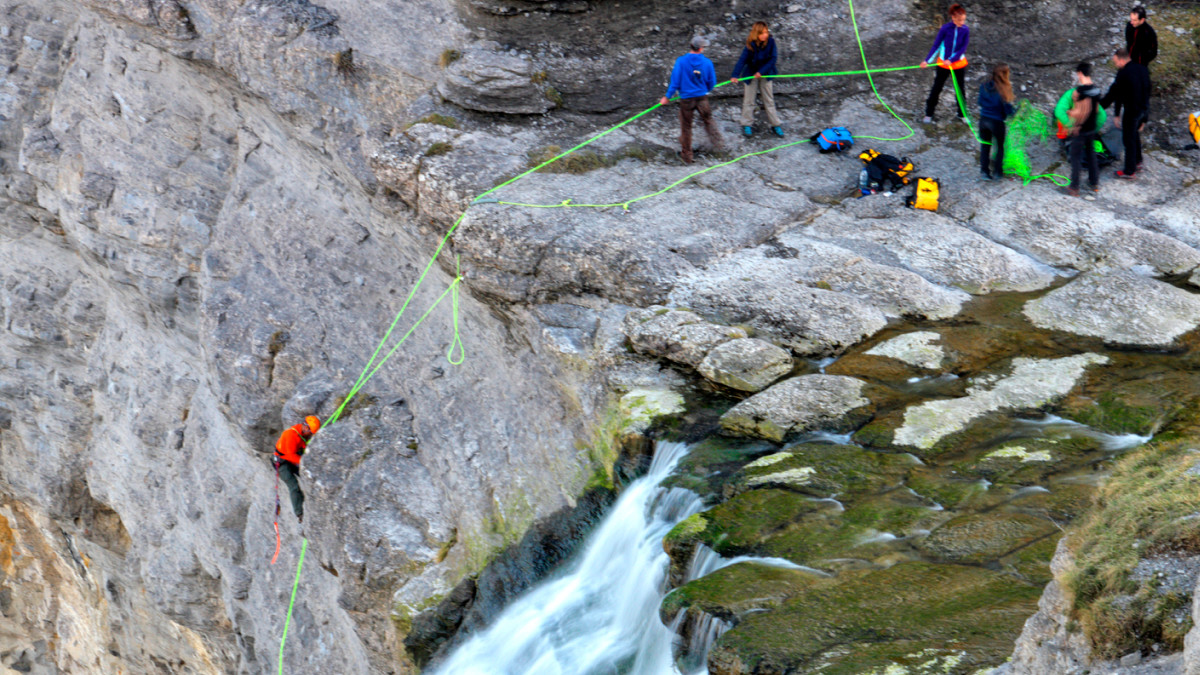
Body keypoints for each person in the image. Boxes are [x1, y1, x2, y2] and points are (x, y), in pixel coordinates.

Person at [660, 36, 725, 164]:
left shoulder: (681, 61)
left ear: (691, 45)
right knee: (708, 120)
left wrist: (667, 97)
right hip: (702, 98)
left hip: (686, 100)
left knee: (686, 127)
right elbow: (712, 82)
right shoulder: (707, 63)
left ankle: (687, 156)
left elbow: (675, 82)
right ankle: (719, 147)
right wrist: (705, 90)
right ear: (700, 48)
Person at [1100, 47, 1151, 178]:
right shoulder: (1142, 69)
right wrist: (1145, 117)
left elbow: (1114, 93)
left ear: (1122, 60)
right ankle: (1138, 162)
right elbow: (1147, 92)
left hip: (1131, 110)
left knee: (1128, 139)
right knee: (1134, 136)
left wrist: (1100, 106)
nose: (1116, 64)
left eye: (1116, 61)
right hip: (1142, 109)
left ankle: (1129, 171)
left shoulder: (1123, 73)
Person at [731, 21, 783, 138]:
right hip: (751, 73)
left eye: (766, 32)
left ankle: (775, 124)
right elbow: (742, 60)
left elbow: (773, 59)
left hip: (766, 73)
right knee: (749, 100)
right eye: (762, 33)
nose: (765, 35)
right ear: (756, 33)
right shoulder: (750, 44)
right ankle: (746, 124)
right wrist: (735, 75)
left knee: (769, 100)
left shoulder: (771, 42)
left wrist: (761, 72)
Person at [921, 4, 970, 124]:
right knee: (936, 88)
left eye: (963, 19)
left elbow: (963, 48)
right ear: (953, 17)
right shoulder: (945, 29)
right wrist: (927, 61)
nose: (962, 22)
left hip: (958, 64)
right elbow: (936, 46)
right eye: (959, 20)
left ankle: (962, 114)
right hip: (943, 65)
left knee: (960, 90)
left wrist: (952, 59)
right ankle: (929, 113)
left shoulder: (965, 29)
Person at [274, 415, 321, 523]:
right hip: (282, 462)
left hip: (292, 456)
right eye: (311, 433)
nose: (311, 435)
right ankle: (300, 513)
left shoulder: (302, 432)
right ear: (306, 428)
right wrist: (304, 464)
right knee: (293, 486)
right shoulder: (291, 434)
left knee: (308, 477)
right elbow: (290, 456)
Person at [1066, 62, 1102, 197]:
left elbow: (1081, 111)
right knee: (1091, 154)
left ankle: (1074, 187)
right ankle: (1094, 182)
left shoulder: (1079, 92)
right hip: (1092, 128)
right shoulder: (1097, 90)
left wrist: (1071, 116)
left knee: (1075, 157)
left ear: (1080, 73)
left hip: (1080, 129)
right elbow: (1097, 109)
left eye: (1077, 74)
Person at [977, 63, 1016, 180]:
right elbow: (1008, 110)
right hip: (996, 122)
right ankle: (997, 172)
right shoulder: (1004, 90)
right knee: (999, 147)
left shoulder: (983, 86)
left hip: (983, 120)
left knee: (985, 146)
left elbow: (980, 102)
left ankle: (984, 172)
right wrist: (1014, 111)